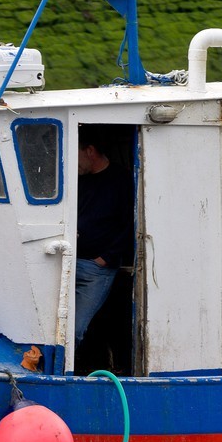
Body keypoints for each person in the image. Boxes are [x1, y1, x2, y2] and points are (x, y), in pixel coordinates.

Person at [74, 139, 130, 345]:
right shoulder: (79, 177)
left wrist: (105, 258)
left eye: (75, 153)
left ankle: (60, 374)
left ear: (90, 150)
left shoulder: (121, 180)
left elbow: (130, 224)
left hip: (95, 268)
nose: (72, 160)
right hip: (66, 260)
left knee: (74, 329)